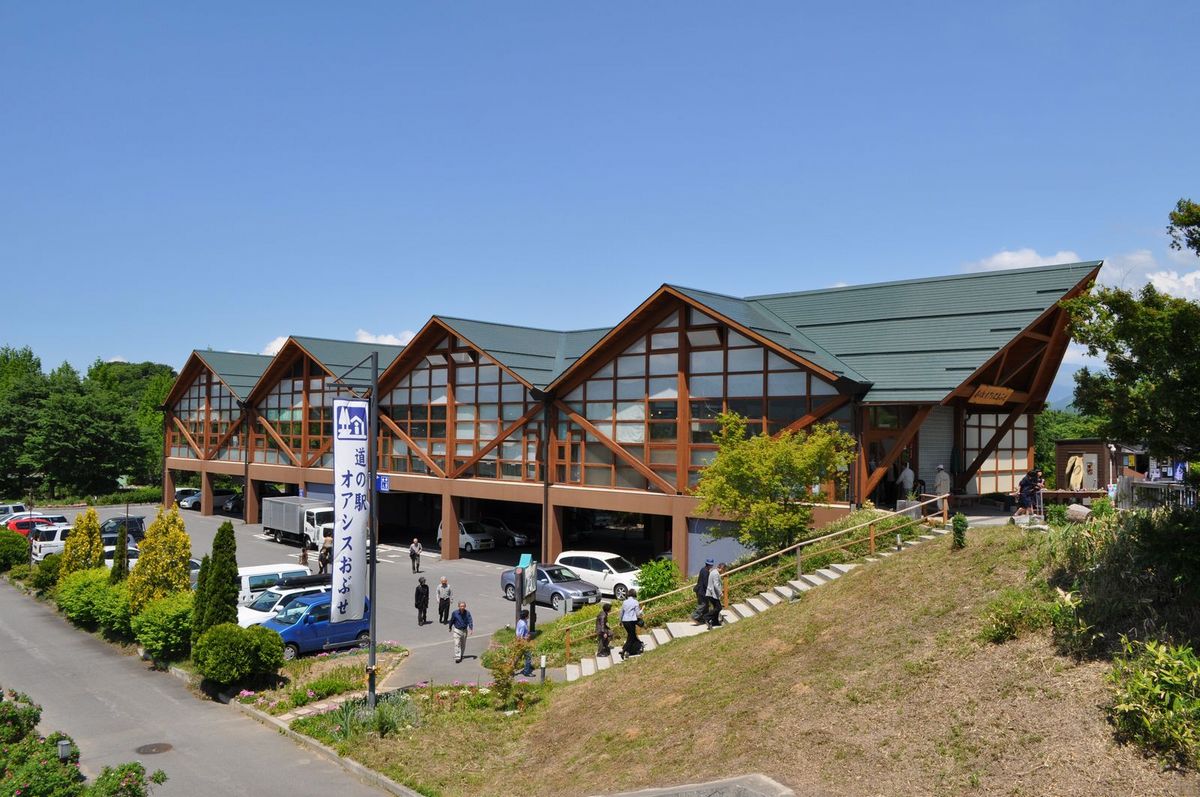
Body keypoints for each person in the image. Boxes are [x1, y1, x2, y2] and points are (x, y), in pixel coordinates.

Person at [619, 589, 643, 659]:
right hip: (631, 621)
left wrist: (620, 621)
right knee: (631, 637)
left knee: (631, 635)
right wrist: (641, 611)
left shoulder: (624, 602)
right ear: (634, 594)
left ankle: (636, 646)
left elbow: (621, 613)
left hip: (625, 621)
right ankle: (625, 650)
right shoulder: (635, 602)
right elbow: (637, 614)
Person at [704, 562, 725, 628]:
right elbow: (716, 585)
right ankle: (707, 616)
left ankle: (715, 622)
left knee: (716, 607)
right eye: (723, 570)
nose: (723, 571)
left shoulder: (713, 572)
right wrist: (720, 593)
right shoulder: (716, 573)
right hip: (712, 594)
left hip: (710, 593)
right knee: (719, 607)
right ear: (721, 568)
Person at [515, 609, 533, 676]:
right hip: (523, 642)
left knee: (518, 656)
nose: (529, 616)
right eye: (528, 614)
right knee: (528, 656)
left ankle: (511, 668)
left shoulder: (521, 621)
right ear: (526, 616)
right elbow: (520, 636)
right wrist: (527, 637)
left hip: (522, 642)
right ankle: (527, 672)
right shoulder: (523, 625)